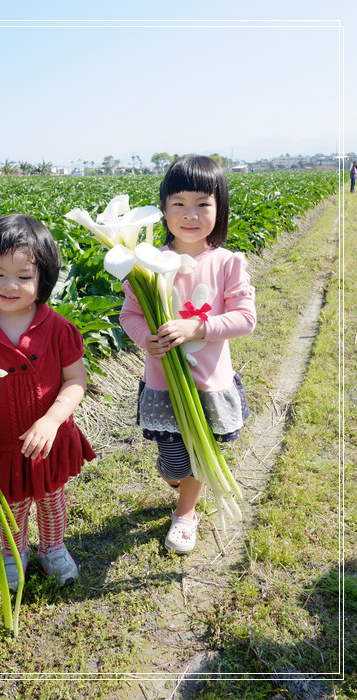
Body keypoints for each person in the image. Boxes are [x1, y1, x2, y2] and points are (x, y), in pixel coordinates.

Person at [119, 155, 256, 554]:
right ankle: (183, 487)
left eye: (203, 204)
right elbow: (129, 315)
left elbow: (245, 319)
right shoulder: (146, 264)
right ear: (163, 210)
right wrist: (147, 338)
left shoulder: (229, 263)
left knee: (199, 455)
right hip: (164, 384)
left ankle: (185, 514)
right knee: (173, 464)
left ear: (220, 209)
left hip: (208, 385)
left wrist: (199, 328)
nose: (190, 214)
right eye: (178, 204)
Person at [0, 214, 96, 590]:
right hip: (1, 448)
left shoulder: (61, 330)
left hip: (47, 442)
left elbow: (75, 380)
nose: (10, 285)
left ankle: (52, 548)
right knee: (9, 511)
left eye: (24, 276)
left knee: (52, 501)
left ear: (44, 278)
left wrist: (51, 421)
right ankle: (13, 555)